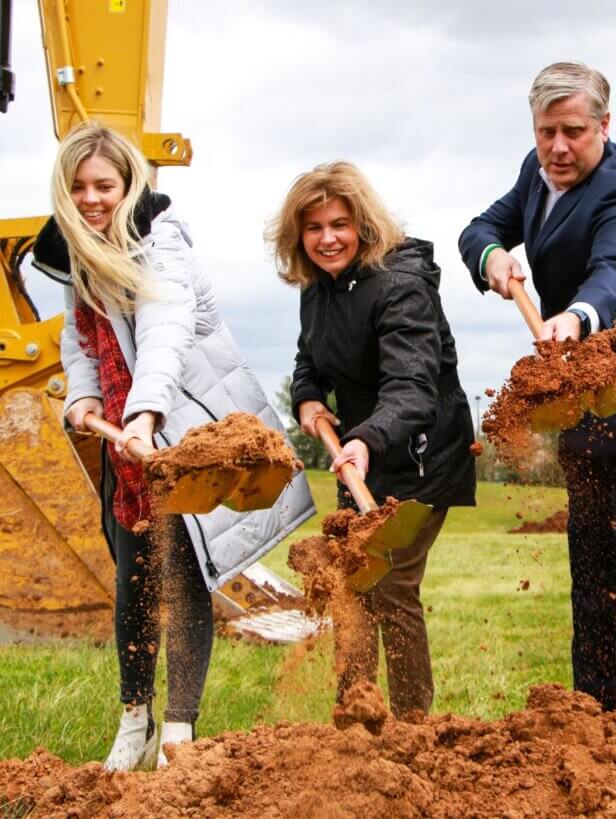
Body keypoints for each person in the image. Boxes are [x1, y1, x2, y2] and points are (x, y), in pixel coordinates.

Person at [31, 123, 315, 771]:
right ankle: (135, 718)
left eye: (104, 184)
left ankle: (179, 733)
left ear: (131, 184)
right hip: (127, 447)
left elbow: (164, 331)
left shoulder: (161, 242)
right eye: (78, 187)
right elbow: (82, 340)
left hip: (187, 435)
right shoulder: (75, 251)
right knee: (134, 581)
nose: (92, 198)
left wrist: (145, 412)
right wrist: (84, 398)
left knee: (186, 581)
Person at [459, 61, 616, 714]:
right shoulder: (534, 176)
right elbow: (478, 229)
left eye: (573, 131)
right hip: (582, 400)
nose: (559, 147)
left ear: (604, 125)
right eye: (547, 132)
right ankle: (594, 716)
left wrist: (576, 318)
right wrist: (494, 258)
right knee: (592, 568)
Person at [271, 161, 476, 718]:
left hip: (420, 452)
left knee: (390, 586)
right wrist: (308, 398)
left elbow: (413, 386)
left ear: (362, 223)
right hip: (360, 454)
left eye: (339, 223)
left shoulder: (401, 287)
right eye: (313, 228)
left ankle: (414, 728)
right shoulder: (319, 288)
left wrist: (367, 439)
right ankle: (356, 722)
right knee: (348, 585)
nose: (327, 238)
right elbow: (308, 359)